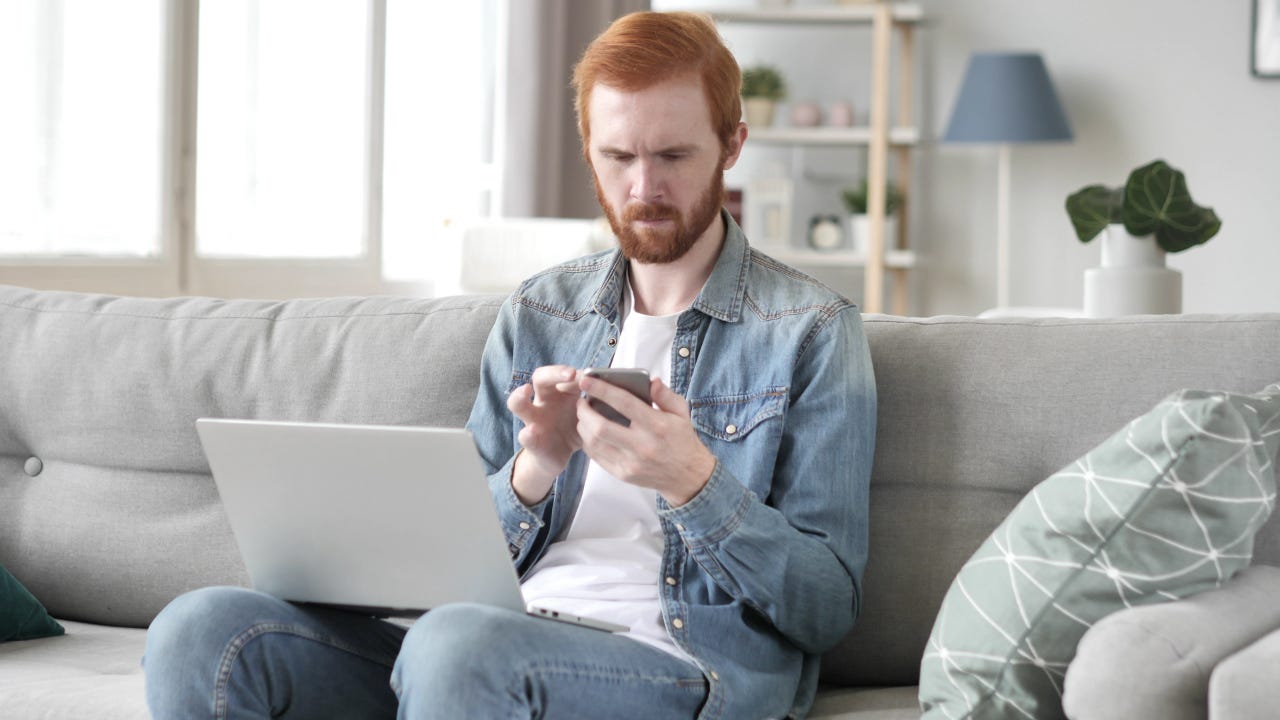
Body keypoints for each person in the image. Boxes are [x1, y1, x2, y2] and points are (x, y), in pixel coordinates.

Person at [143, 10, 875, 720]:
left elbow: (825, 608)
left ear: (732, 144)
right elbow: (454, 562)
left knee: (457, 647)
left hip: (679, 666)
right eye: (618, 157)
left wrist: (694, 482)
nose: (643, 188)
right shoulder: (541, 311)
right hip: (473, 644)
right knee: (202, 630)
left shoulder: (810, 331)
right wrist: (534, 470)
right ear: (587, 147)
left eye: (673, 156)